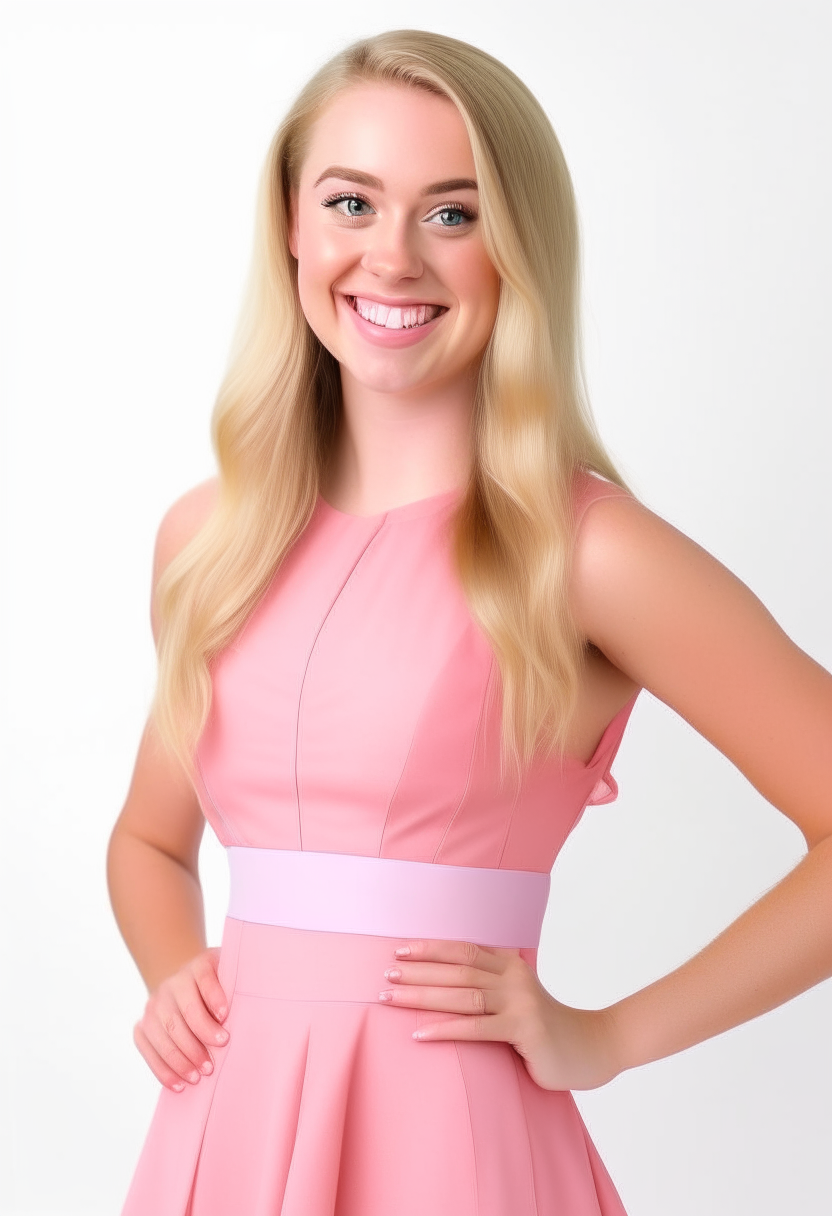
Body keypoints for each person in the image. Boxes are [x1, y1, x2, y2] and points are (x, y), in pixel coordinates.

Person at [107, 28, 832, 1216]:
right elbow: (147, 841)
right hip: (220, 1134)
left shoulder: (588, 550)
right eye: (351, 202)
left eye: (453, 213)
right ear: (290, 224)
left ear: (518, 246)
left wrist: (611, 1036)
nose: (389, 258)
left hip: (453, 1147)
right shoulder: (208, 540)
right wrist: (170, 970)